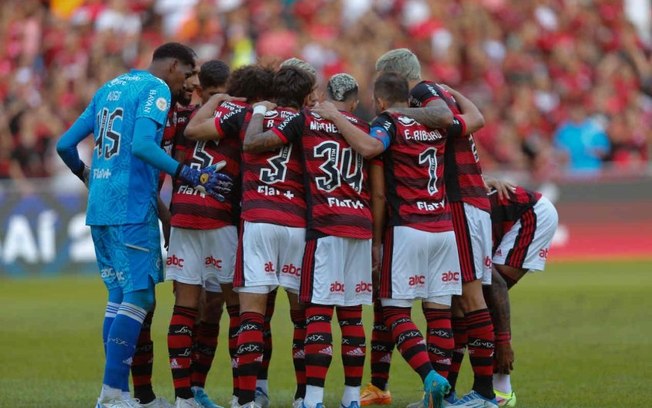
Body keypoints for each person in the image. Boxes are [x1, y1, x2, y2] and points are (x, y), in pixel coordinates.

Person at [55, 42, 233, 408]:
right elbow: (142, 146)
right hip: (131, 207)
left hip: (101, 206)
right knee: (139, 297)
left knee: (119, 298)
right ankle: (113, 395)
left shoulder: (110, 87)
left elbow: (64, 144)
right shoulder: (155, 90)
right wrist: (189, 174)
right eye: (186, 72)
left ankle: (119, 393)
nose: (187, 80)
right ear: (171, 65)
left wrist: (86, 175)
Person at [375, 49, 498, 407]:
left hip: (458, 204)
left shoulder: (425, 95)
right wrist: (457, 94)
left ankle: (487, 393)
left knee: (470, 299)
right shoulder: (438, 96)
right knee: (452, 304)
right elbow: (472, 119)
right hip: (460, 204)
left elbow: (447, 117)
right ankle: (444, 395)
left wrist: (393, 112)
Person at [245, 73, 374, 408]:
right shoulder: (364, 126)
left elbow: (256, 143)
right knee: (352, 316)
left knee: (316, 312)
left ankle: (312, 399)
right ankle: (350, 399)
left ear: (325, 96)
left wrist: (259, 112)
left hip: (324, 224)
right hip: (360, 225)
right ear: (355, 101)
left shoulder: (305, 121)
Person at [184, 63, 277, 408]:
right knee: (211, 309)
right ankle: (197, 390)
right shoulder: (227, 115)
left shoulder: (249, 116)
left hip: (239, 222)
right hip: (213, 221)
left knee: (240, 309)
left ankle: (248, 391)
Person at [164, 59, 237, 408]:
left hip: (196, 218)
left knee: (208, 307)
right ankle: (191, 395)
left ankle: (194, 391)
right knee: (221, 306)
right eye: (213, 96)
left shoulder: (206, 117)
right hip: (209, 220)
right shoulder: (188, 121)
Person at [482, 183, 558, 407]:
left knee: (485, 297)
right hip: (508, 216)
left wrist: (503, 342)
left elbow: (496, 285)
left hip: (531, 214)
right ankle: (490, 390)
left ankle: (501, 391)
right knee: (472, 303)